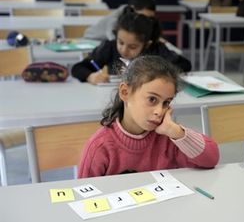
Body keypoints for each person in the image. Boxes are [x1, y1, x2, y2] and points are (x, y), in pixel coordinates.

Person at [78, 55, 220, 178]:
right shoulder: (100, 146)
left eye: (166, 103)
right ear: (125, 92)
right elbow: (84, 194)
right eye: (152, 99)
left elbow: (211, 159)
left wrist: (176, 132)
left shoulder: (169, 137)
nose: (159, 111)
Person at [72, 7, 191, 85]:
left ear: (146, 44)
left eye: (132, 47)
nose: (124, 50)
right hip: (114, 101)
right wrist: (90, 76)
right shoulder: (110, 47)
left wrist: (157, 73)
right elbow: (77, 68)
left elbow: (185, 65)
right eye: (121, 42)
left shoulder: (156, 49)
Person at [83, 0, 156, 41]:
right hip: (92, 40)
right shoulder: (115, 20)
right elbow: (114, 40)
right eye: (143, 17)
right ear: (133, 9)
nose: (146, 21)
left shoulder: (132, 15)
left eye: (150, 18)